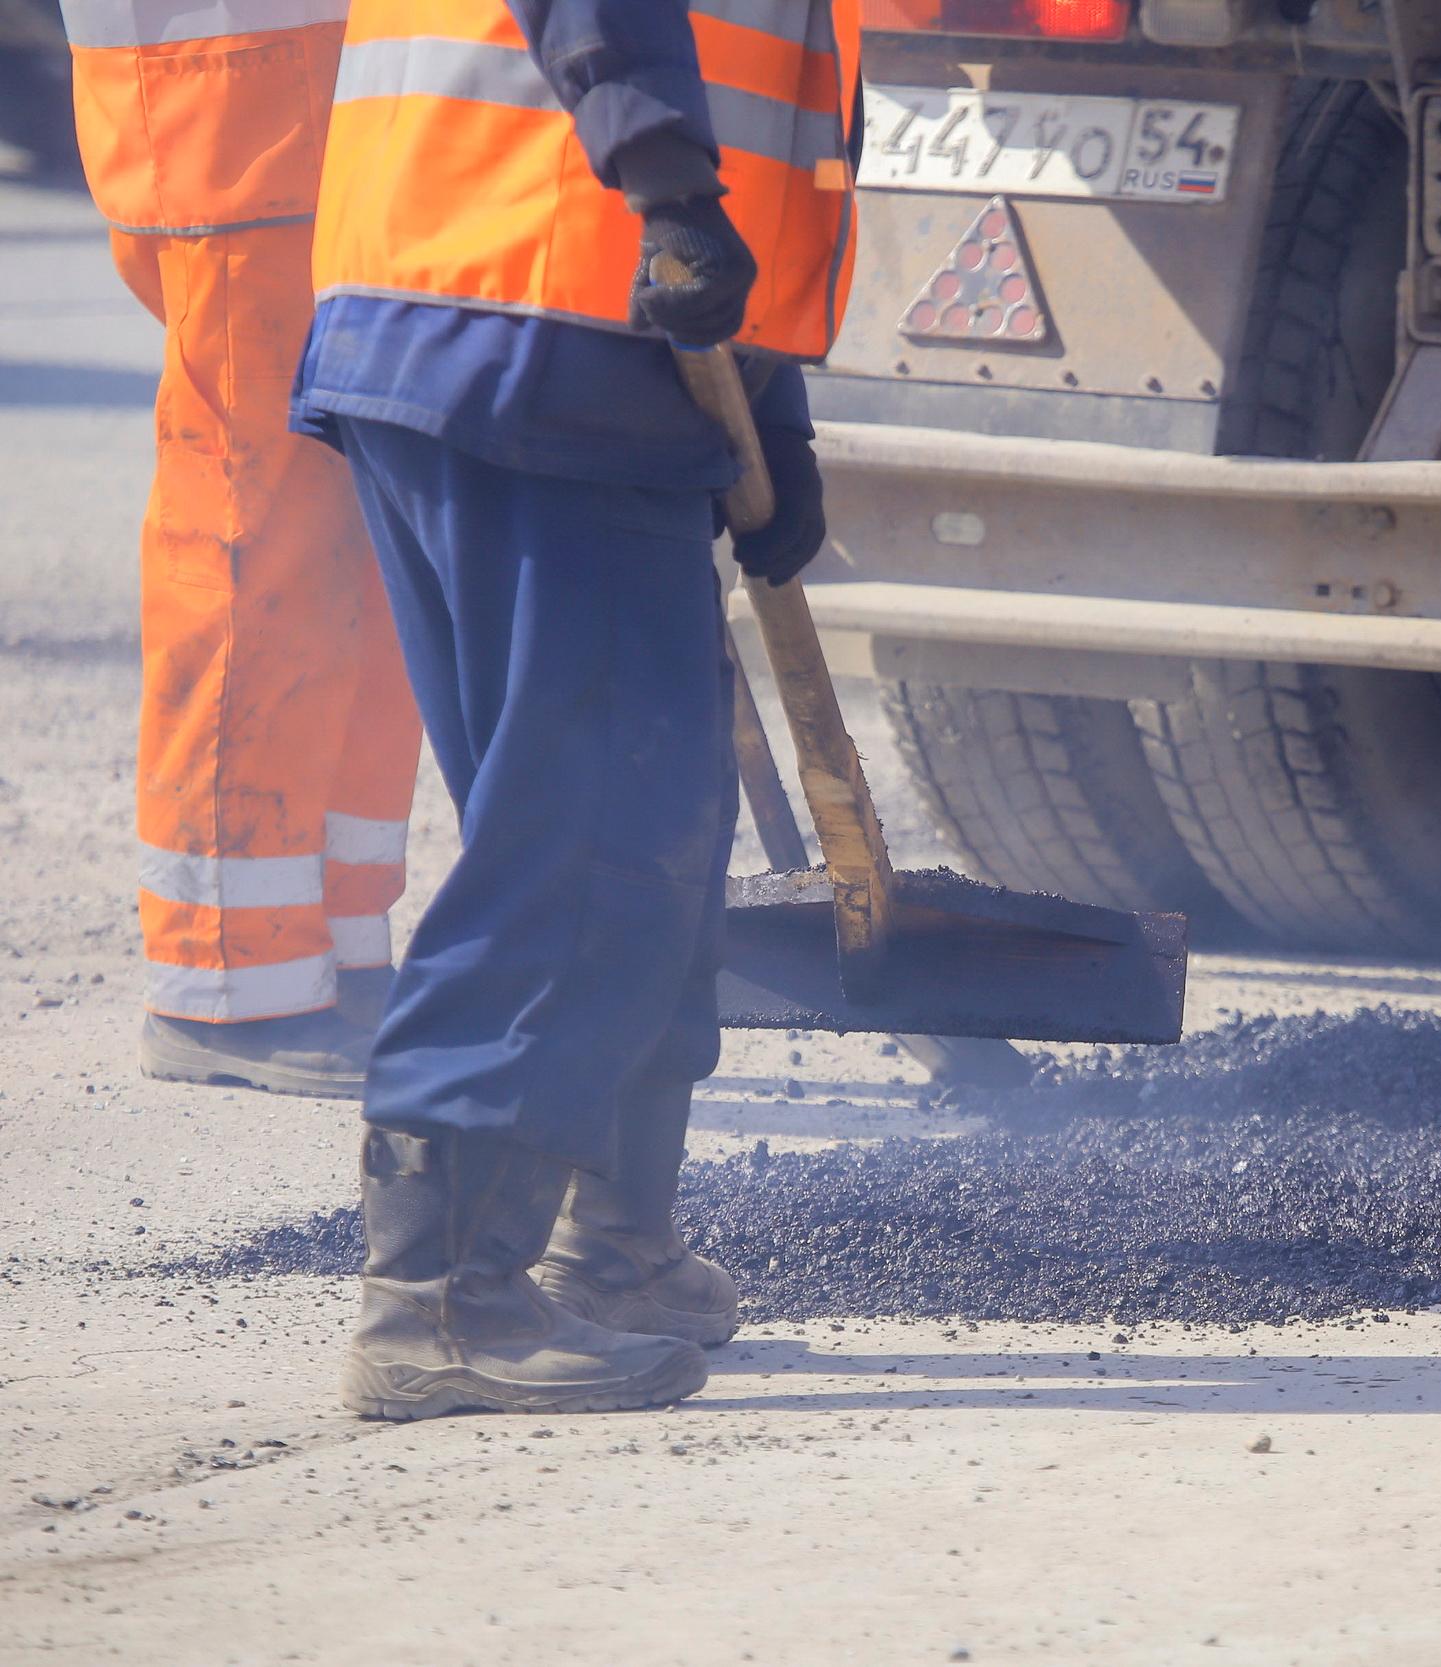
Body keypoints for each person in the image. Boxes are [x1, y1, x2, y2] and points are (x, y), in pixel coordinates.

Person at [292, 0, 856, 1418]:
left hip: (478, 313)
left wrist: (767, 423)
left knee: (621, 822)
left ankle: (608, 1243)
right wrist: (669, 189)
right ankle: (438, 1299)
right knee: (597, 838)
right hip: (540, 319)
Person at [57, 0, 423, 1097]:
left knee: (365, 546)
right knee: (252, 540)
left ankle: (335, 944)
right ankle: (226, 977)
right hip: (241, 104)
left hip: (330, 106)